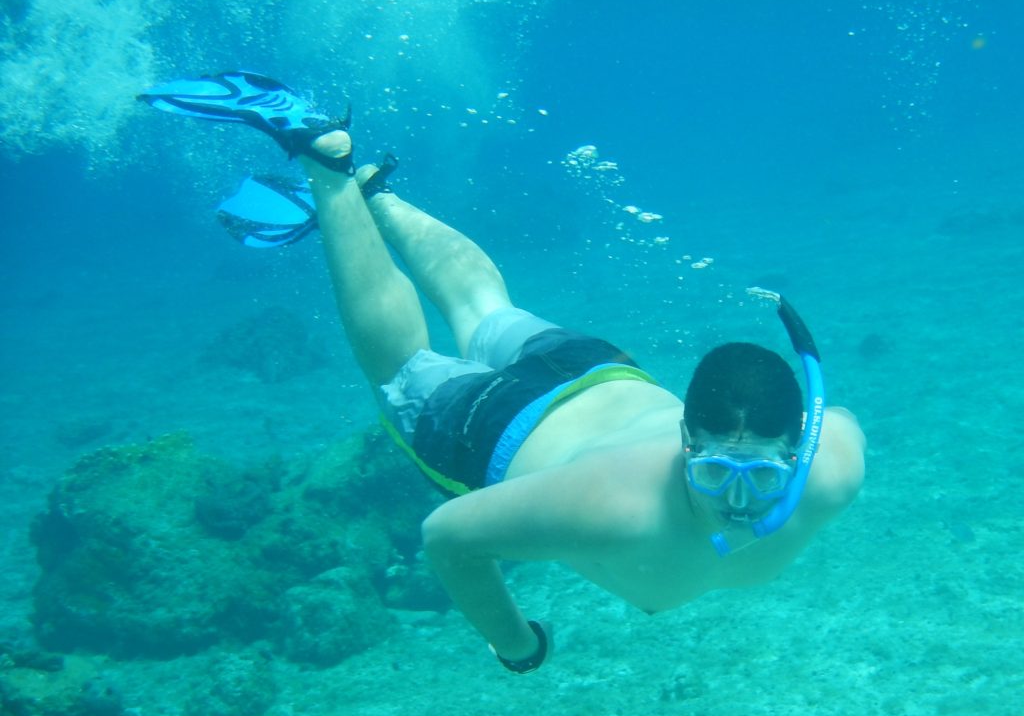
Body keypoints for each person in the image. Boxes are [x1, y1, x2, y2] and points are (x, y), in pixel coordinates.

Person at [139, 72, 866, 674]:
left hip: (593, 372)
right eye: (715, 474)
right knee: (400, 366)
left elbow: (840, 423)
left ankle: (375, 190)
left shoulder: (832, 467)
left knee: (484, 304)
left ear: (795, 449)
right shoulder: (615, 508)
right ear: (683, 442)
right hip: (491, 425)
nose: (737, 502)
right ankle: (329, 174)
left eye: (762, 477)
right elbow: (449, 533)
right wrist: (517, 644)